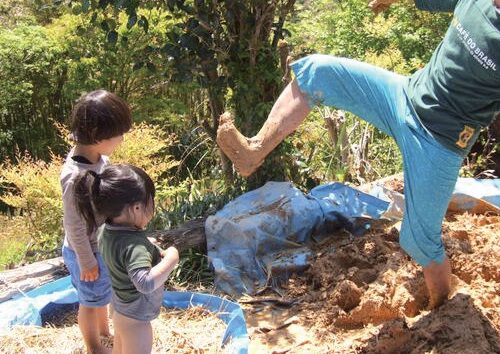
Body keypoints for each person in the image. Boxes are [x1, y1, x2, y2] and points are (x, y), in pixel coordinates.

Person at [216, 0, 500, 309]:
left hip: (439, 144)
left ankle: (445, 310)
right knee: (317, 72)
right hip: (403, 97)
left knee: (419, 242)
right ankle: (253, 152)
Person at [73, 163, 180, 354]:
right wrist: (172, 259)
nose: (153, 207)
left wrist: (146, 244)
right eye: (151, 201)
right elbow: (145, 283)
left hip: (120, 309)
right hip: (137, 320)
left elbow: (121, 248)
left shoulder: (105, 231)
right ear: (137, 207)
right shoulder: (134, 245)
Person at [61, 90, 132, 354]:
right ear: (97, 135)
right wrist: (86, 260)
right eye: (118, 135)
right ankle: (94, 347)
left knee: (102, 294)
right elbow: (74, 225)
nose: (122, 140)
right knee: (90, 302)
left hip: (99, 247)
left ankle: (104, 332)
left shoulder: (98, 159)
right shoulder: (75, 176)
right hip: (85, 251)